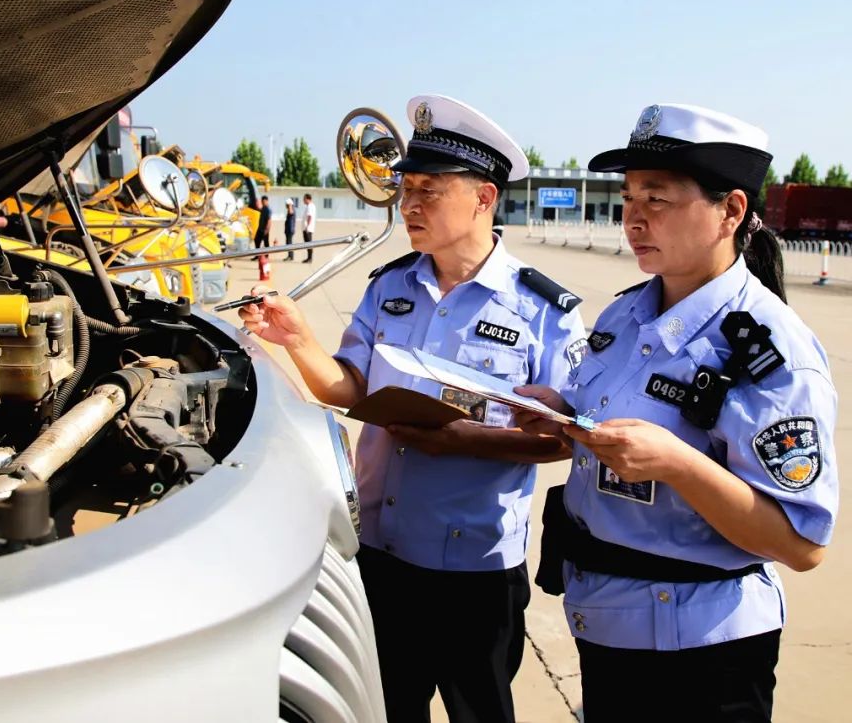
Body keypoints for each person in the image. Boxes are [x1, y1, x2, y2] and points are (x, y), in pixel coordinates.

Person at [238, 94, 588, 723]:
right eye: (406, 190)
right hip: (381, 554)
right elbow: (347, 389)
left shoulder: (544, 312)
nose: (410, 204)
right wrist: (297, 339)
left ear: (483, 198)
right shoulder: (390, 286)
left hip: (474, 572)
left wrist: (462, 441)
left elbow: (564, 441)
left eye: (429, 189)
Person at [513, 104, 839, 723]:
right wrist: (563, 413)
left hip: (700, 660)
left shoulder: (769, 352)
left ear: (731, 211)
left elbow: (801, 544)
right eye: (630, 195)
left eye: (657, 198)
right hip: (610, 627)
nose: (632, 216)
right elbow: (605, 420)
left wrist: (678, 465)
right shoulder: (625, 314)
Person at [301, 192, 315, 262]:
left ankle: (310, 258)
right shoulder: (309, 206)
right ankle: (309, 257)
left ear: (307, 199)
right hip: (307, 228)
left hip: (308, 229)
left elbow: (310, 216)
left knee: (309, 244)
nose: (303, 200)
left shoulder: (310, 206)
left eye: (304, 199)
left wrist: (307, 227)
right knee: (307, 244)